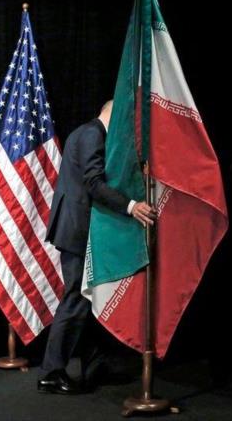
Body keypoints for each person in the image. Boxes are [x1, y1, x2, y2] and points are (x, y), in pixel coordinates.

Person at [37, 100, 156, 395]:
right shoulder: (93, 134)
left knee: (88, 299)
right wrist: (131, 206)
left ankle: (94, 365)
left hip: (78, 227)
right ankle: (51, 372)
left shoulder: (86, 133)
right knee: (76, 298)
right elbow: (93, 183)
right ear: (112, 115)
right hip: (77, 229)